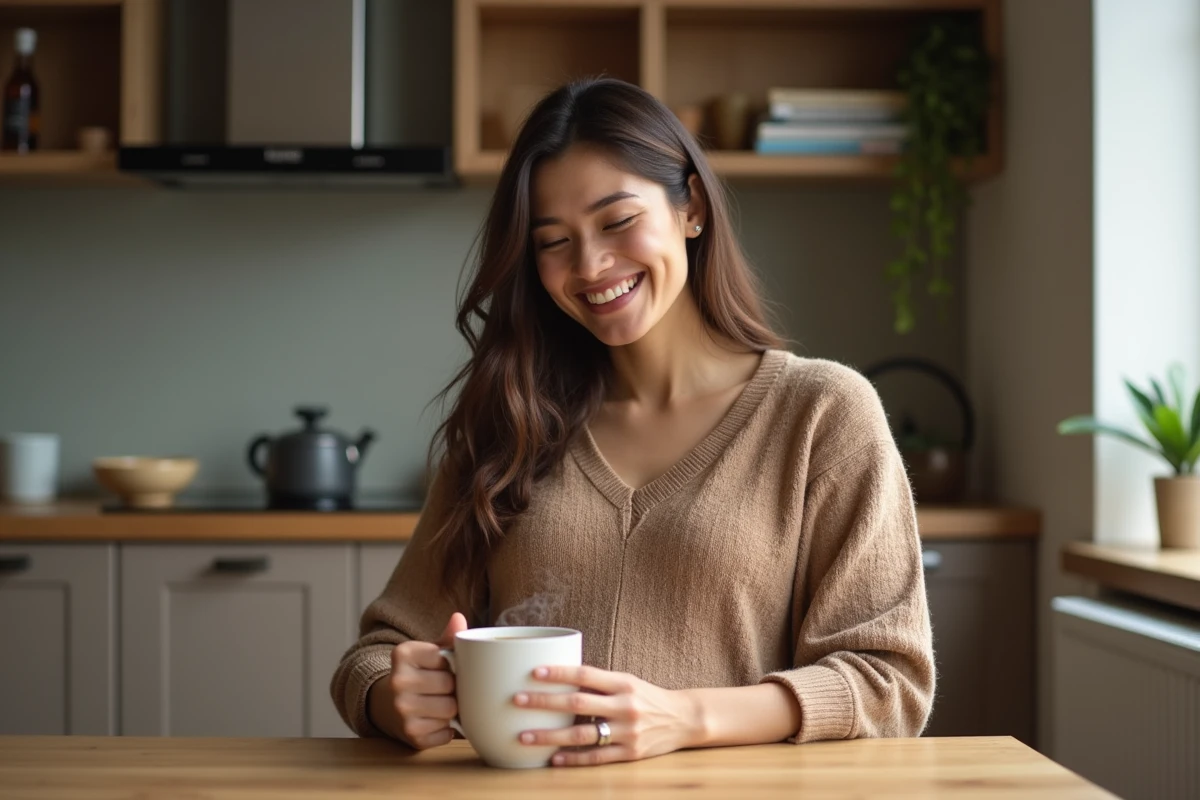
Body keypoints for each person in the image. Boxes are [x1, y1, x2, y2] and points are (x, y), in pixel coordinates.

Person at [330, 77, 935, 767]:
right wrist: (395, 697)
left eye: (617, 221)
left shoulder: (823, 414)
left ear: (692, 208)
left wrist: (685, 718)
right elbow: (374, 656)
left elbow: (890, 683)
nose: (589, 265)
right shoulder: (509, 424)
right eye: (553, 241)